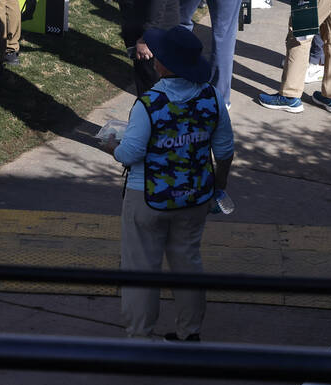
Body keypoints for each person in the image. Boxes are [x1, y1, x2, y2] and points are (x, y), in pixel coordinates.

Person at [99, 25, 233, 342]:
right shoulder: (211, 96)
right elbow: (225, 150)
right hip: (196, 196)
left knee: (141, 268)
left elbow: (131, 152)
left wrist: (112, 148)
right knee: (187, 262)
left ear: (164, 65)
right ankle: (190, 333)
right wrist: (218, 186)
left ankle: (140, 337)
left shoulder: (150, 102)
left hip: (146, 198)